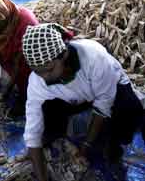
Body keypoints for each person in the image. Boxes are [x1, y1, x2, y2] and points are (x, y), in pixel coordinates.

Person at [22, 23, 145, 181]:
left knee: (126, 117)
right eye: (38, 72)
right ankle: (57, 140)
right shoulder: (38, 81)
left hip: (111, 88)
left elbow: (103, 104)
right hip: (76, 97)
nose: (44, 77)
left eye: (49, 69)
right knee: (45, 111)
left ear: (63, 55)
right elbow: (32, 131)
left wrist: (86, 145)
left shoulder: (94, 57)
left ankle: (113, 144)